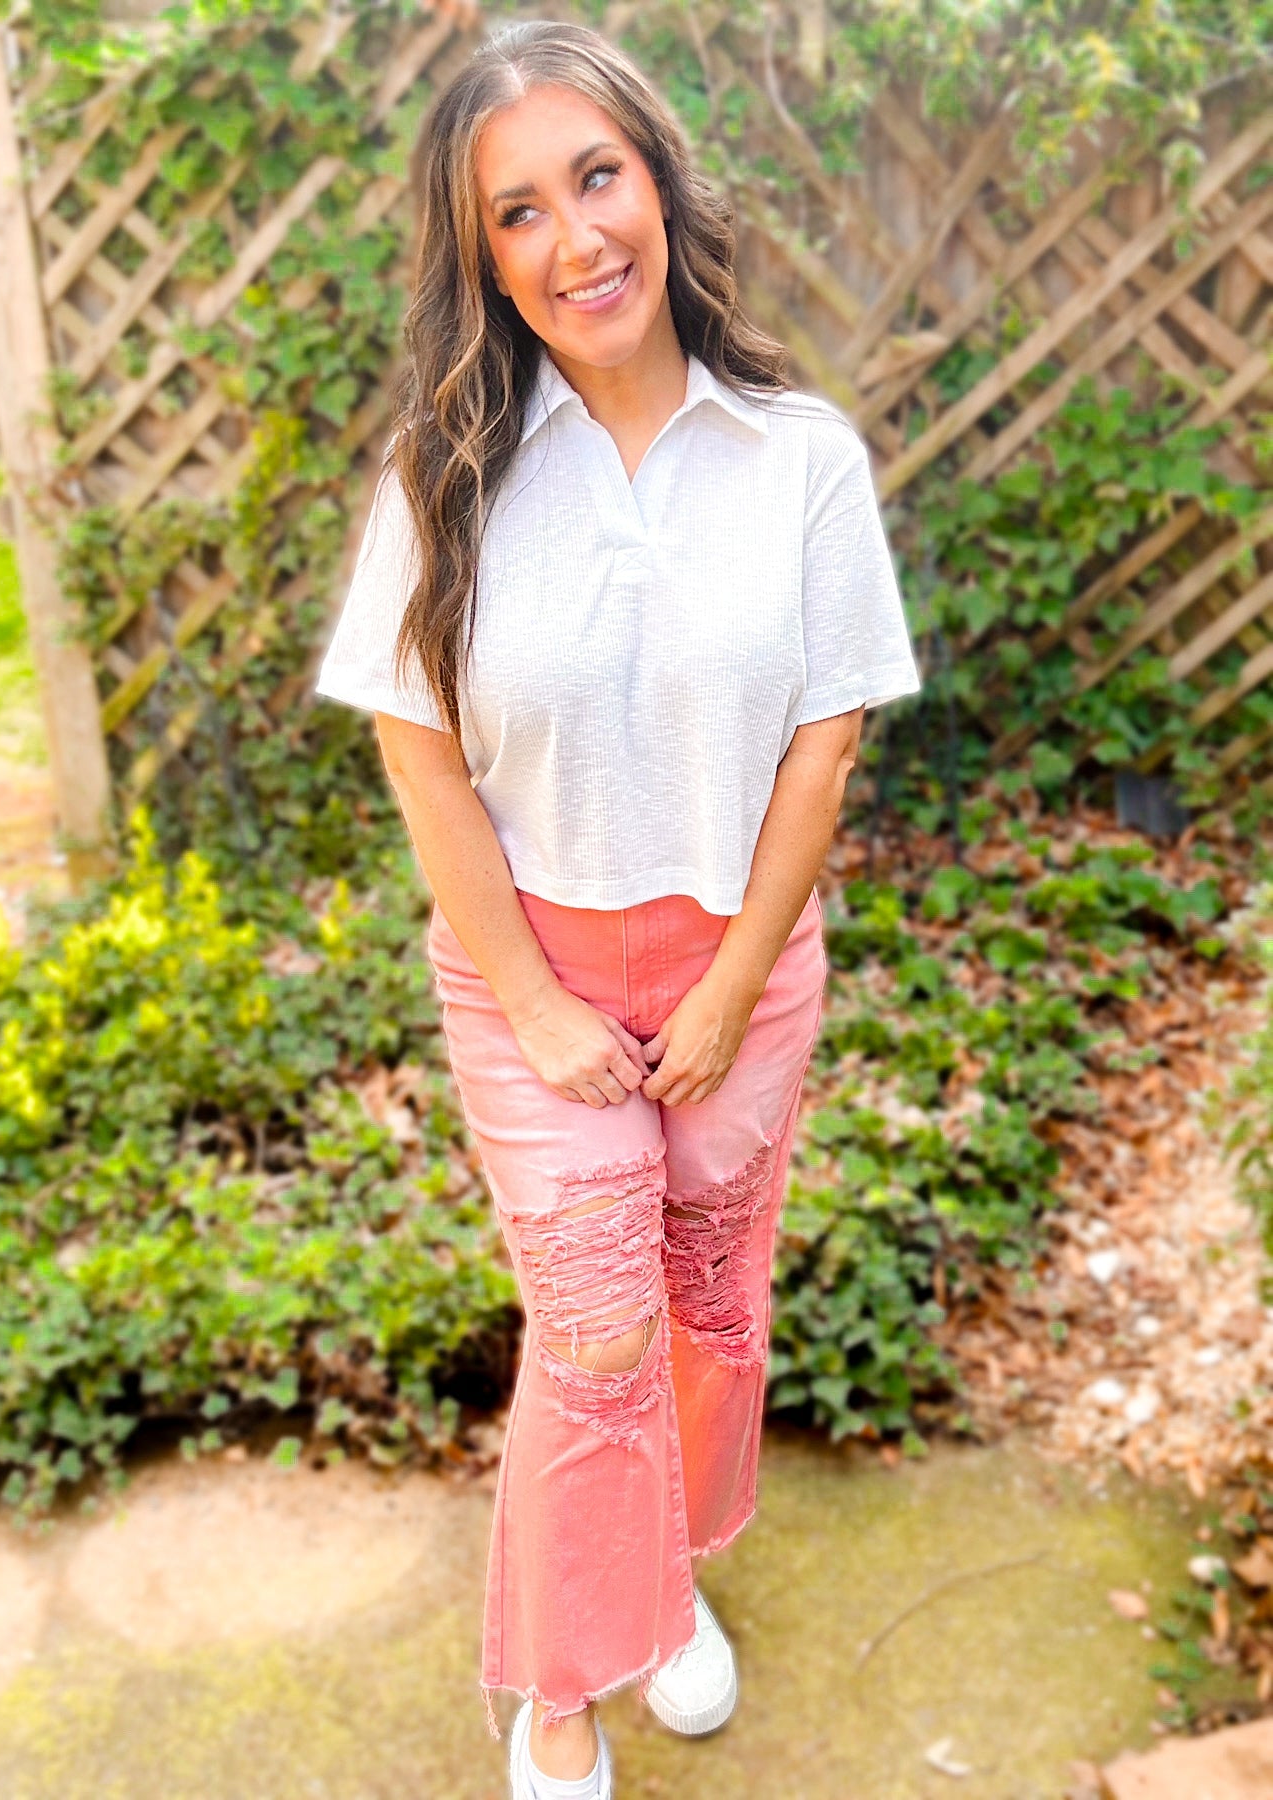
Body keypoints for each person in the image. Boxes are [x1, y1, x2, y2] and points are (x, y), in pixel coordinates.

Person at [314, 18, 920, 1798]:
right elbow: (420, 755)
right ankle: (562, 1683)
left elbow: (822, 746)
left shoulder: (796, 457)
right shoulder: (445, 474)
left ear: (657, 183)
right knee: (593, 1331)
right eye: (518, 211)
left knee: (710, 1314)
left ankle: (658, 1587)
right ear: (483, 258)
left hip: (743, 972)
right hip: (538, 978)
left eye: (596, 177)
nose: (574, 238)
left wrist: (728, 990)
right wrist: (536, 1003)